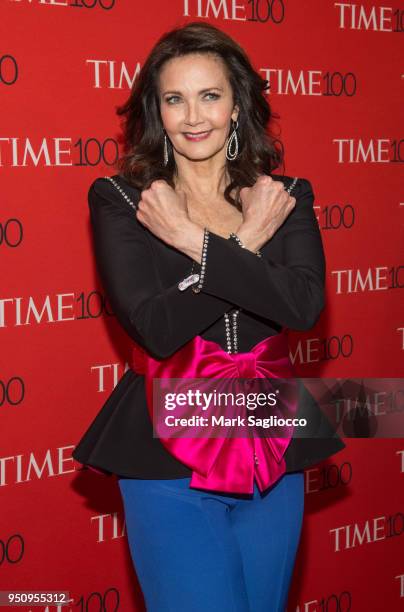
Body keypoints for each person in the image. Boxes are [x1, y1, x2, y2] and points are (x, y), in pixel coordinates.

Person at [72, 21, 345, 611]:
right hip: (168, 450)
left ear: (237, 106)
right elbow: (157, 326)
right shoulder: (124, 200)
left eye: (210, 95)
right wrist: (242, 242)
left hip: (272, 444)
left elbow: (302, 304)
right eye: (174, 99)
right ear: (156, 112)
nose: (193, 116)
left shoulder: (284, 195)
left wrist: (197, 245)